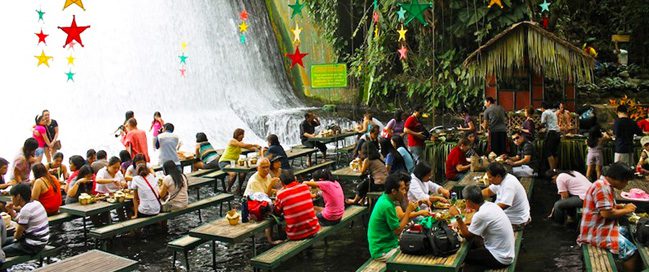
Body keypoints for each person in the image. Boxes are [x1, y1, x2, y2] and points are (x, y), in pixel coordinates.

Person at [578, 162, 640, 272]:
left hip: (598, 226)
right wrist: (627, 210)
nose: (626, 184)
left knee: (625, 231)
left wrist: (620, 206)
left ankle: (620, 260)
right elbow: (606, 214)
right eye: (626, 181)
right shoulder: (601, 188)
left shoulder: (603, 184)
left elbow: (604, 207)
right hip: (595, 232)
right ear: (619, 179)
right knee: (632, 253)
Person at [449, 185, 514, 271]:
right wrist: (463, 223)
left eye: (465, 201)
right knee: (473, 246)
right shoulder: (490, 205)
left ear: (468, 201)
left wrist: (457, 217)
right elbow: (479, 223)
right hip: (506, 252)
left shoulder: (481, 215)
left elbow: (468, 236)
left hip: (500, 257)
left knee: (460, 256)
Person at [367, 173, 417, 261]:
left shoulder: (386, 198)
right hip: (382, 250)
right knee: (412, 259)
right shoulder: (387, 205)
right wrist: (408, 211)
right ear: (394, 191)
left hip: (390, 243)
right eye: (402, 189)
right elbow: (397, 231)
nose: (405, 192)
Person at [2, 184, 49, 257]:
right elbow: (21, 220)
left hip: (32, 245)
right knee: (3, 242)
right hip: (41, 241)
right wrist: (10, 210)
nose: (11, 199)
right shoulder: (36, 203)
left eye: (12, 196)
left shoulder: (26, 210)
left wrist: (15, 236)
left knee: (2, 251)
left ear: (18, 197)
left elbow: (18, 235)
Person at [481, 162, 531, 230]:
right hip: (508, 216)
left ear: (498, 176)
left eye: (490, 177)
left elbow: (504, 205)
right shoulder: (502, 179)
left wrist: (484, 210)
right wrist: (475, 195)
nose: (489, 179)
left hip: (516, 221)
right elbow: (489, 191)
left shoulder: (508, 184)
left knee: (484, 228)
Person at [274, 170, 320, 241]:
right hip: (313, 229)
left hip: (296, 234)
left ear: (282, 183)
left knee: (282, 230)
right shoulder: (305, 187)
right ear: (295, 178)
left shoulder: (281, 194)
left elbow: (277, 212)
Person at [218, 128, 261, 193]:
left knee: (243, 172)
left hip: (234, 163)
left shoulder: (239, 143)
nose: (243, 137)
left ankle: (239, 189)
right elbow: (244, 145)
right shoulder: (232, 141)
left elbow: (249, 147)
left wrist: (258, 149)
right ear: (238, 134)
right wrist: (255, 145)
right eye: (242, 135)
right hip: (224, 162)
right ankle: (228, 190)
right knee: (233, 174)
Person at [540, 101, 561, 171]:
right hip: (558, 133)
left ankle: (552, 170)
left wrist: (539, 129)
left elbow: (542, 124)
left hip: (552, 133)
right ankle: (555, 169)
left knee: (548, 152)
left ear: (542, 108)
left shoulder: (545, 112)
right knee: (554, 152)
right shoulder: (553, 112)